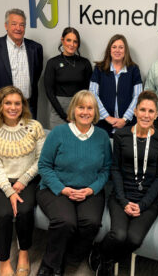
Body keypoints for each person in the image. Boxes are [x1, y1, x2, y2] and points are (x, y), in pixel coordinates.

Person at [89, 91, 158, 276]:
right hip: (121, 196)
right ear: (135, 111)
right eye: (142, 110)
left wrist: (142, 204)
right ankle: (102, 253)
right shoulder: (122, 135)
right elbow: (115, 169)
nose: (146, 115)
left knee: (133, 239)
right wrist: (124, 201)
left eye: (151, 111)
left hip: (148, 200)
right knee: (119, 235)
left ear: (156, 114)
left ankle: (107, 257)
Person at [36, 90, 112, 276]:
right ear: (73, 109)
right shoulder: (59, 133)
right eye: (81, 107)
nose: (85, 112)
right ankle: (50, 265)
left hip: (89, 190)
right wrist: (63, 189)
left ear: (95, 112)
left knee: (91, 223)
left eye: (90, 108)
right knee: (65, 221)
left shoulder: (102, 136)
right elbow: (44, 166)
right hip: (56, 188)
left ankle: (68, 259)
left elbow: (106, 170)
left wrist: (90, 190)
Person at [0, 86, 46, 276]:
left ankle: (24, 254)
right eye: (7, 103)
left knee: (25, 211)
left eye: (17, 103)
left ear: (23, 105)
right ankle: (4, 261)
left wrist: (23, 181)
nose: (13, 107)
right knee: (4, 215)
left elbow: (41, 160)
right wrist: (9, 191)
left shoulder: (34, 126)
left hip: (29, 179)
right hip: (0, 181)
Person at [0, 8, 44, 119]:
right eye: (14, 24)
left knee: (29, 136)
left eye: (22, 25)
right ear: (6, 26)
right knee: (4, 136)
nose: (18, 28)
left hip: (28, 105)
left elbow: (36, 75)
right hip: (3, 106)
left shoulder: (35, 48)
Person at [89, 34, 142, 136]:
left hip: (128, 126)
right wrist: (107, 117)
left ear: (125, 51)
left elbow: (138, 96)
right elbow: (92, 94)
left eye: (121, 47)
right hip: (102, 125)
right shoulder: (99, 69)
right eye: (114, 47)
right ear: (109, 50)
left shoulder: (134, 69)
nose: (117, 50)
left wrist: (125, 119)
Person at [44, 27, 92, 129]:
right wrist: (64, 115)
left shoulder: (85, 63)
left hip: (79, 111)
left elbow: (88, 90)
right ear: (62, 40)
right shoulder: (53, 63)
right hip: (58, 112)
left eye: (75, 41)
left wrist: (80, 110)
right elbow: (49, 91)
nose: (72, 44)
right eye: (68, 40)